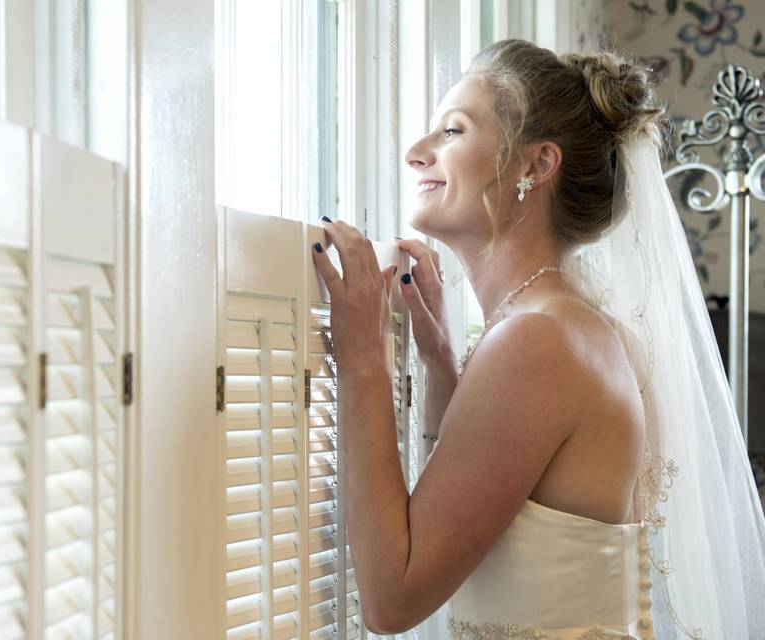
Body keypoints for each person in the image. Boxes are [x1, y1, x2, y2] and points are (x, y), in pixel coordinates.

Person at [310, 38, 765, 638]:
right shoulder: (576, 329)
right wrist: (443, 366)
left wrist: (363, 357)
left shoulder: (538, 344)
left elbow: (391, 602)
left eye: (451, 131)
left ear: (534, 164)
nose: (416, 153)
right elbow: (491, 521)